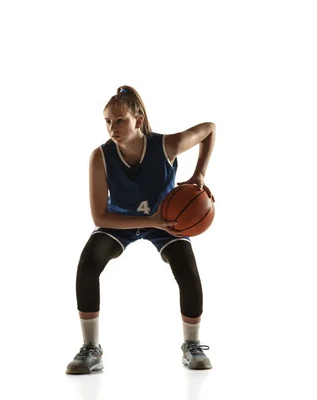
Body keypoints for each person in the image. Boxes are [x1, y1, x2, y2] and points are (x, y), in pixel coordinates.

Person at [66, 85, 216, 374]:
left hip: (166, 222)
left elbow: (209, 129)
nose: (113, 128)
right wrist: (152, 221)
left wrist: (199, 173)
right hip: (122, 221)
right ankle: (90, 349)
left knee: (186, 265)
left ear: (138, 119)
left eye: (119, 120)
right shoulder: (100, 157)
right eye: (108, 121)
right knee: (88, 262)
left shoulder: (166, 146)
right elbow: (100, 215)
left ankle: (192, 345)